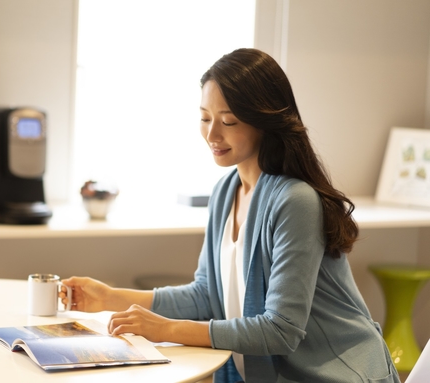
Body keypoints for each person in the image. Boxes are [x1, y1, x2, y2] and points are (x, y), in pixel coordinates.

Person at [60, 48, 400, 383]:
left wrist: (166, 329)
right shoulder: (226, 191)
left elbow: (281, 330)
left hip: (338, 375)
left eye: (228, 121)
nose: (211, 135)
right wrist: (109, 297)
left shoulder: (295, 201)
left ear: (265, 121)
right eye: (205, 118)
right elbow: (207, 294)